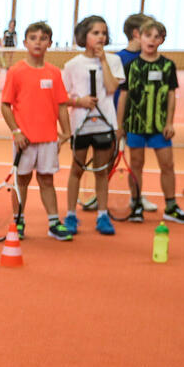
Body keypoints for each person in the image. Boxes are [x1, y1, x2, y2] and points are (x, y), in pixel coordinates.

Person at [0, 21, 73, 241]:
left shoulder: (54, 73)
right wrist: (16, 132)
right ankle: (18, 220)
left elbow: (61, 105)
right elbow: (5, 105)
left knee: (47, 180)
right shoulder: (16, 71)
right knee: (21, 181)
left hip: (48, 139)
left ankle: (53, 223)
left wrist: (66, 132)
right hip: (24, 141)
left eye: (43, 38)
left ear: (50, 43)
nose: (38, 42)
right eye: (33, 38)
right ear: (25, 42)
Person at [116, 18, 184, 225]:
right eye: (147, 35)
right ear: (138, 37)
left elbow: (170, 96)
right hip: (135, 125)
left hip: (159, 126)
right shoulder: (131, 66)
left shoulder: (168, 66)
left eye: (156, 36)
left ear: (162, 40)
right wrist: (120, 125)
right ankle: (136, 204)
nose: (151, 40)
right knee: (136, 165)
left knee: (167, 164)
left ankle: (171, 206)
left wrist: (169, 122)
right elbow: (123, 96)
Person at [62, 15, 124, 236]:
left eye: (104, 33)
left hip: (105, 125)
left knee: (101, 171)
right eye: (96, 33)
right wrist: (80, 101)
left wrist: (104, 61)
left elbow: (111, 87)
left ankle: (102, 215)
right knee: (76, 170)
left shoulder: (114, 61)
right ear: (83, 36)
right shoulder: (72, 65)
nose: (101, 37)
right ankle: (70, 215)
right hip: (81, 125)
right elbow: (63, 97)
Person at [109, 12, 158, 213]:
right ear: (137, 33)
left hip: (139, 120)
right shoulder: (117, 59)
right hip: (114, 118)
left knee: (137, 161)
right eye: (149, 32)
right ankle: (98, 195)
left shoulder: (150, 58)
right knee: (109, 159)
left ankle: (136, 196)